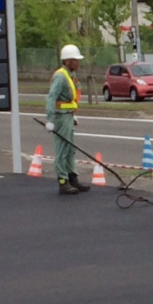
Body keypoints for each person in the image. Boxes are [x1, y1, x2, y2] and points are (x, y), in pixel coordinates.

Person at [45, 44, 91, 195]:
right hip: (60, 117)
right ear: (68, 61)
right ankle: (63, 181)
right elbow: (52, 97)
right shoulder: (60, 76)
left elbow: (69, 98)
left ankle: (73, 177)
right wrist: (50, 119)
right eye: (75, 60)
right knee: (62, 150)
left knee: (70, 149)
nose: (78, 63)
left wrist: (72, 114)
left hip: (67, 115)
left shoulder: (70, 75)